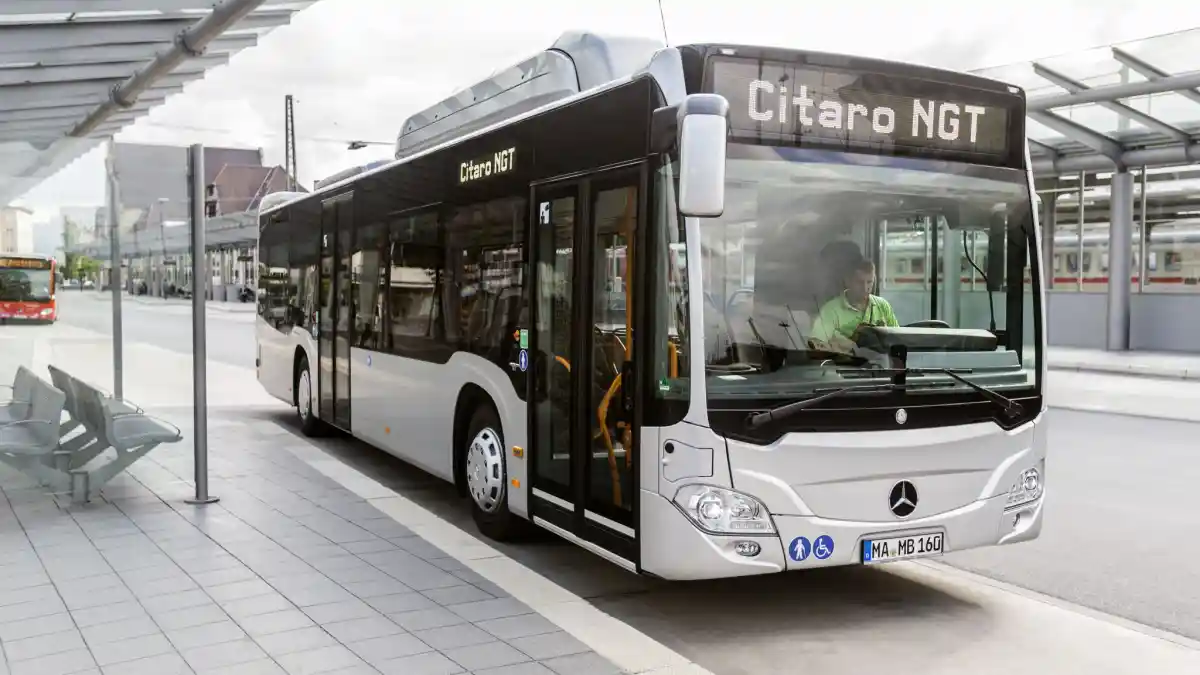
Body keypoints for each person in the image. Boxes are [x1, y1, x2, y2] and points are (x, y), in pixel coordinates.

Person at [809, 258, 899, 353]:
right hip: (844, 366)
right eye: (860, 282)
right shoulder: (831, 310)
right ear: (847, 281)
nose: (865, 288)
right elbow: (815, 344)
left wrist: (884, 335)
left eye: (869, 282)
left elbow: (899, 341)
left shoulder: (883, 306)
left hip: (880, 366)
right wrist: (852, 341)